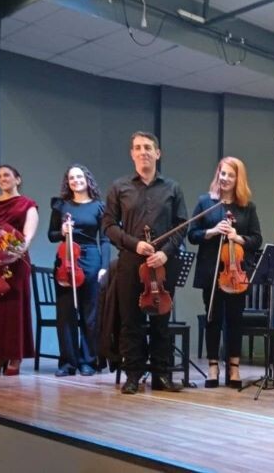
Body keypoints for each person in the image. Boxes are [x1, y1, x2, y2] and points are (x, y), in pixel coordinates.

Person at [102, 131, 188, 395]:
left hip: (162, 264)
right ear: (132, 154)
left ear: (157, 153)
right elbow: (108, 225)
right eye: (138, 148)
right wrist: (134, 244)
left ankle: (161, 374)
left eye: (148, 147)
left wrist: (167, 252)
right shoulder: (119, 187)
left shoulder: (172, 188)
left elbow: (181, 226)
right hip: (131, 262)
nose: (143, 152)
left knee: (161, 321)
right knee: (131, 321)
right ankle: (133, 375)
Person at [188, 157, 262, 388]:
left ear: (238, 179)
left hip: (236, 273)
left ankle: (234, 368)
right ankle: (213, 367)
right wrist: (211, 231)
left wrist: (237, 237)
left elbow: (257, 239)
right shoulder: (206, 202)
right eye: (223, 173)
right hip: (212, 271)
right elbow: (192, 234)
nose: (226, 178)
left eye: (231, 175)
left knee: (234, 320)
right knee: (213, 319)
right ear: (218, 175)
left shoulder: (247, 207)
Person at [48, 164, 110, 377]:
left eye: (79, 176)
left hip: (91, 259)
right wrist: (62, 231)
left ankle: (88, 361)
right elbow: (51, 235)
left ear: (87, 179)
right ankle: (68, 363)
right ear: (68, 182)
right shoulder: (60, 206)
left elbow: (105, 239)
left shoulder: (99, 207)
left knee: (89, 314)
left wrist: (104, 267)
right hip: (66, 260)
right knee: (65, 314)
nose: (76, 180)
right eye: (71, 178)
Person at [0, 164, 38, 375]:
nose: (2, 179)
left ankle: (14, 357)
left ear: (17, 179)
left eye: (7, 175)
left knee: (14, 310)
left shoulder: (27, 204)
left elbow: (27, 237)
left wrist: (11, 255)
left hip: (16, 262)